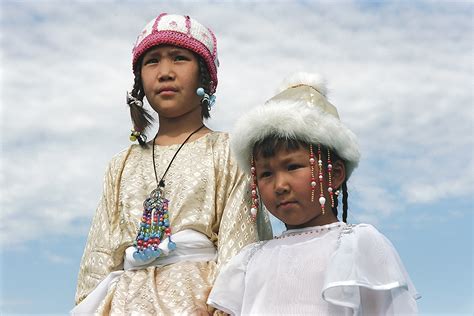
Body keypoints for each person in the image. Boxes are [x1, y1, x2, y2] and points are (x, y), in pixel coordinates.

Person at [72, 13, 271, 315]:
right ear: (139, 80)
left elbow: (239, 245)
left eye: (179, 58)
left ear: (204, 76)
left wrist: (224, 308)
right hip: (123, 304)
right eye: (152, 61)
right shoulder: (122, 164)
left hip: (198, 302)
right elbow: (99, 256)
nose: (165, 72)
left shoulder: (229, 151)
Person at [207, 72, 420, 315]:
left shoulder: (357, 244)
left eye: (292, 167)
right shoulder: (249, 261)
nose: (279, 185)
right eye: (266, 174)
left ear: (335, 173)